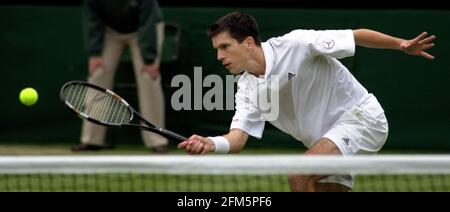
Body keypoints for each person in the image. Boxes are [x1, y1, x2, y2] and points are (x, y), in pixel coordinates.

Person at [177, 11, 436, 191]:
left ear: (247, 42)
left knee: (299, 174)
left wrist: (400, 44)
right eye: (217, 50)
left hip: (361, 119)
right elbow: (237, 139)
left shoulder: (297, 44)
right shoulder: (246, 89)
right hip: (325, 140)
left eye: (225, 47)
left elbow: (354, 36)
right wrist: (210, 143)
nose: (220, 56)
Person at [72, 0, 169, 153]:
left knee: (149, 79)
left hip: (145, 29)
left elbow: (148, 21)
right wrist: (95, 53)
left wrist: (149, 59)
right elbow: (92, 20)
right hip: (109, 31)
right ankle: (91, 140)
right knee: (97, 75)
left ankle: (157, 140)